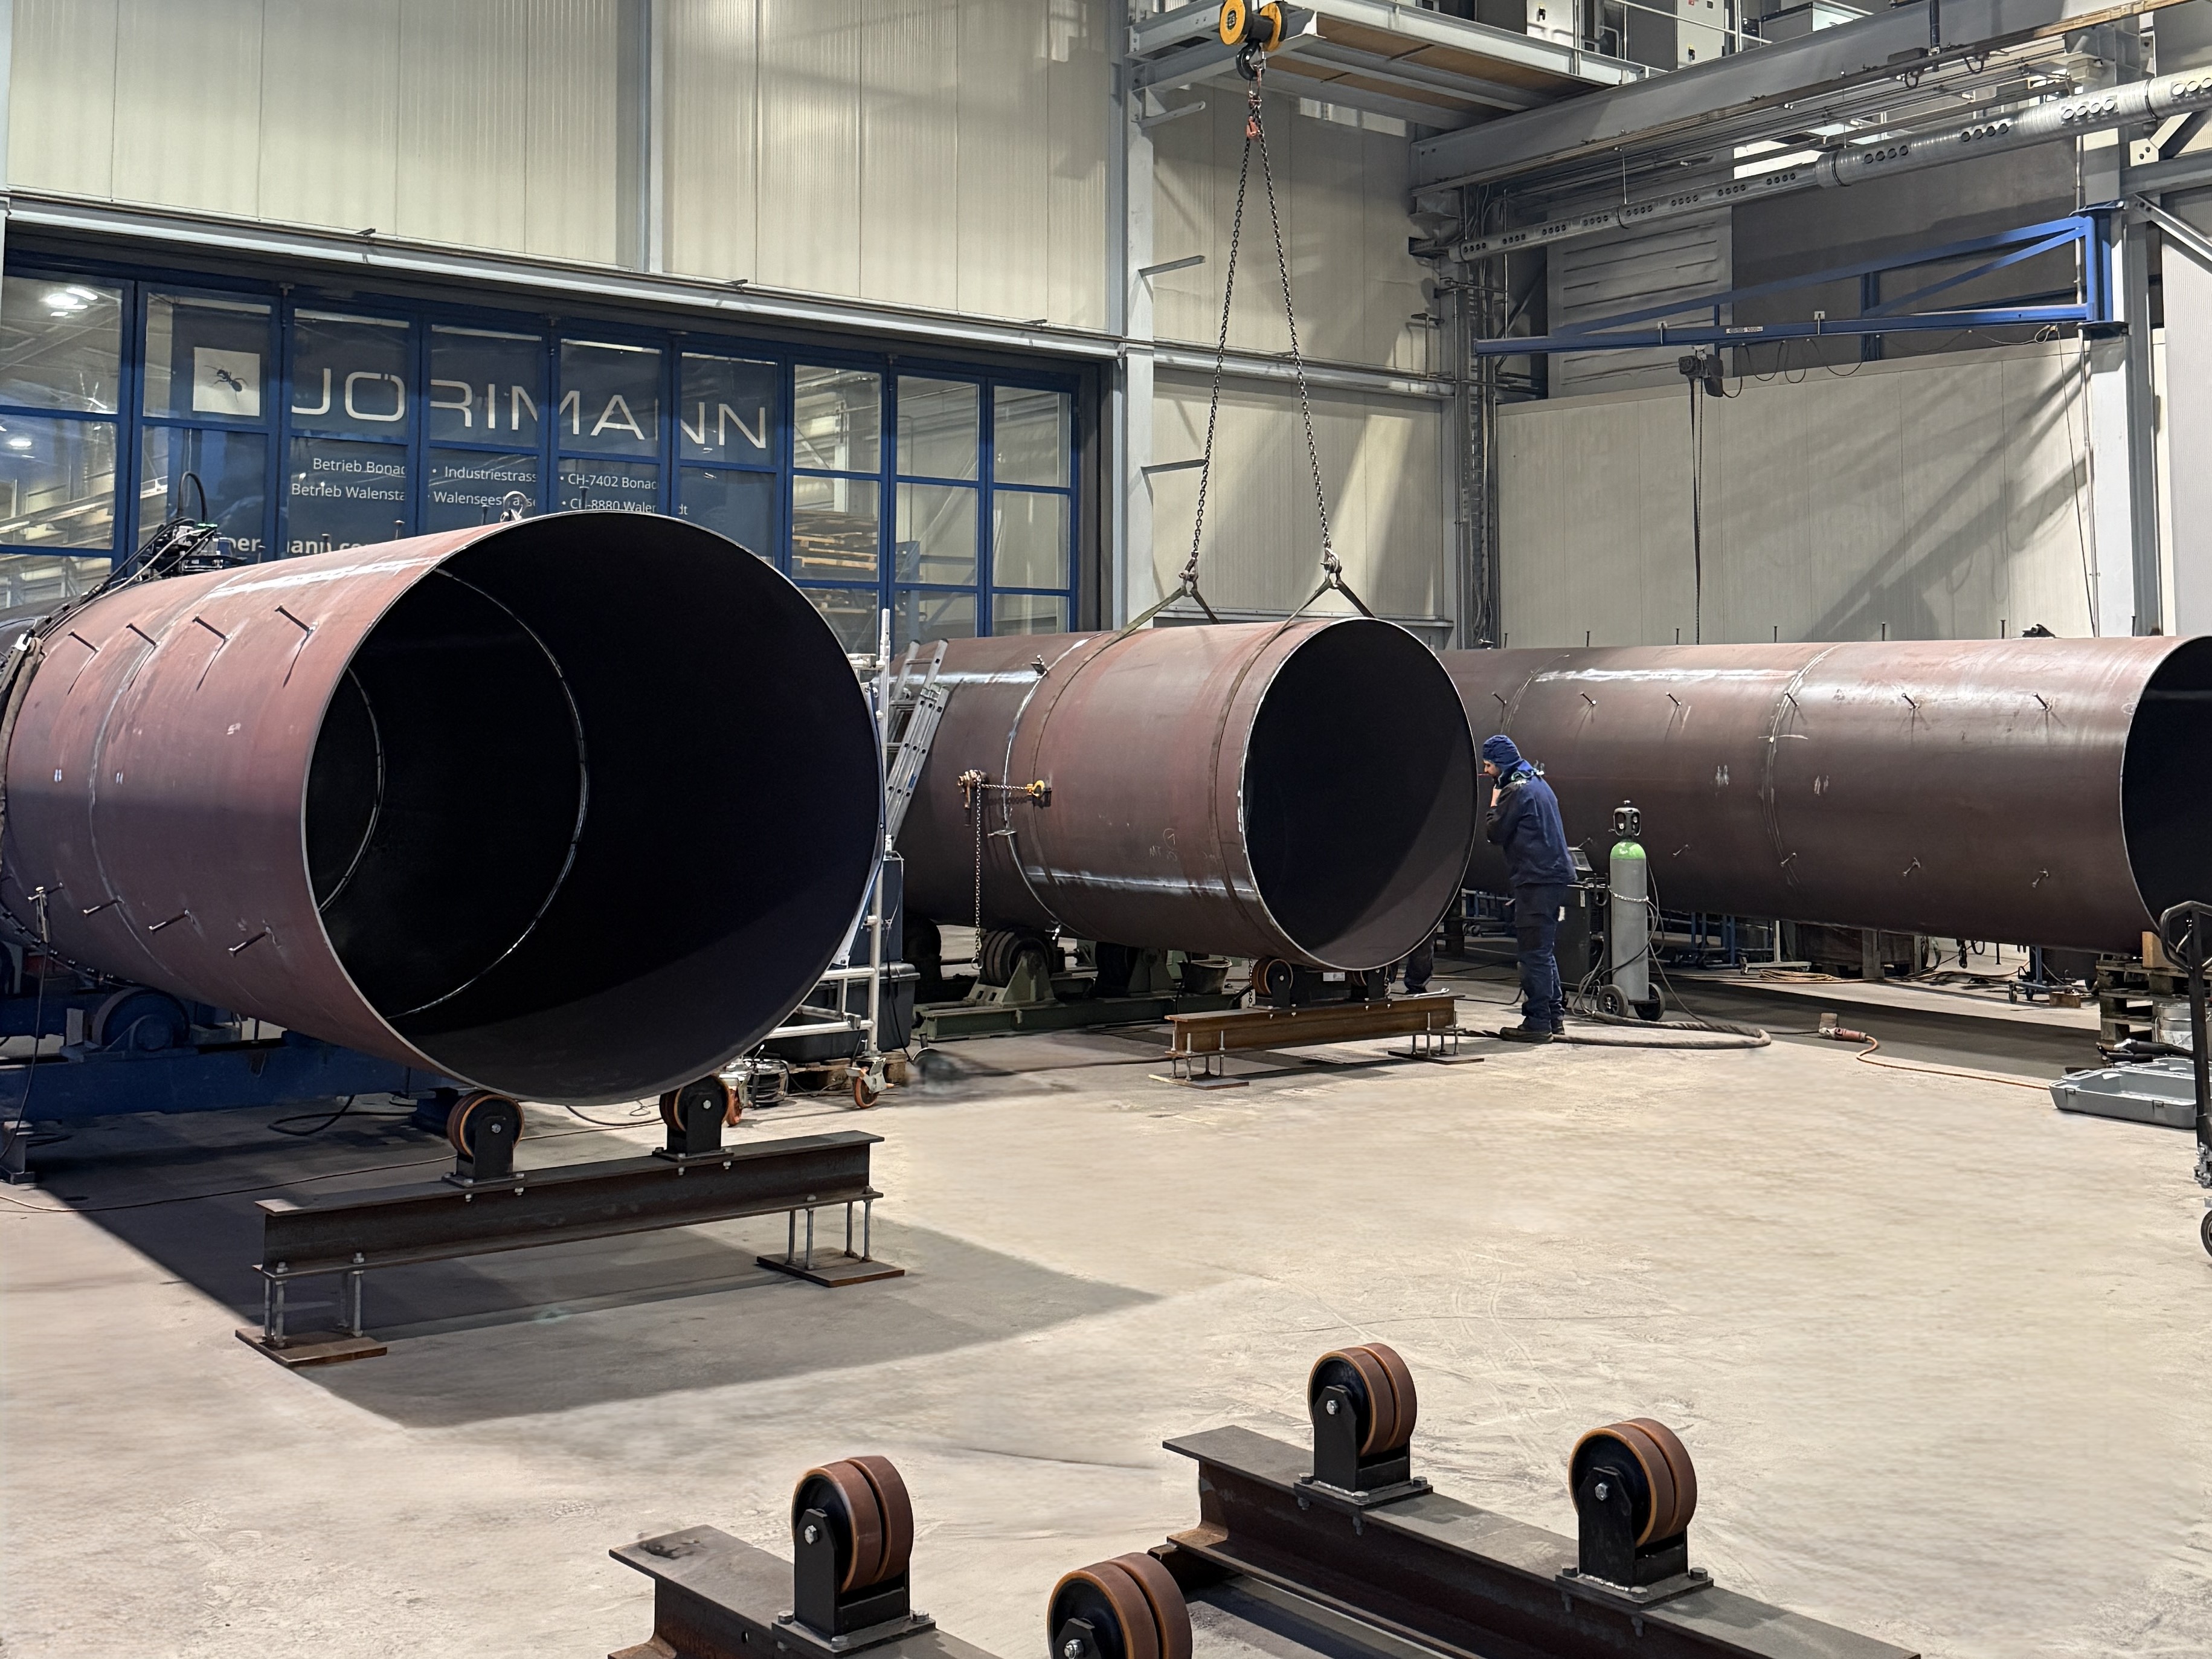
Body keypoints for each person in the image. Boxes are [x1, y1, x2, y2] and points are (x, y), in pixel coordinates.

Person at [1481, 733, 1574, 1042]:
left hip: (1536, 880)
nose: (1486, 771)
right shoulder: (1538, 783)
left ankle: (1537, 1023)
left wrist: (1494, 801)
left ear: (1501, 763)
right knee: (1543, 951)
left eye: (1489, 765)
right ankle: (1554, 1017)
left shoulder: (1515, 791)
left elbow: (1494, 833)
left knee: (1533, 954)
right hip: (1551, 877)